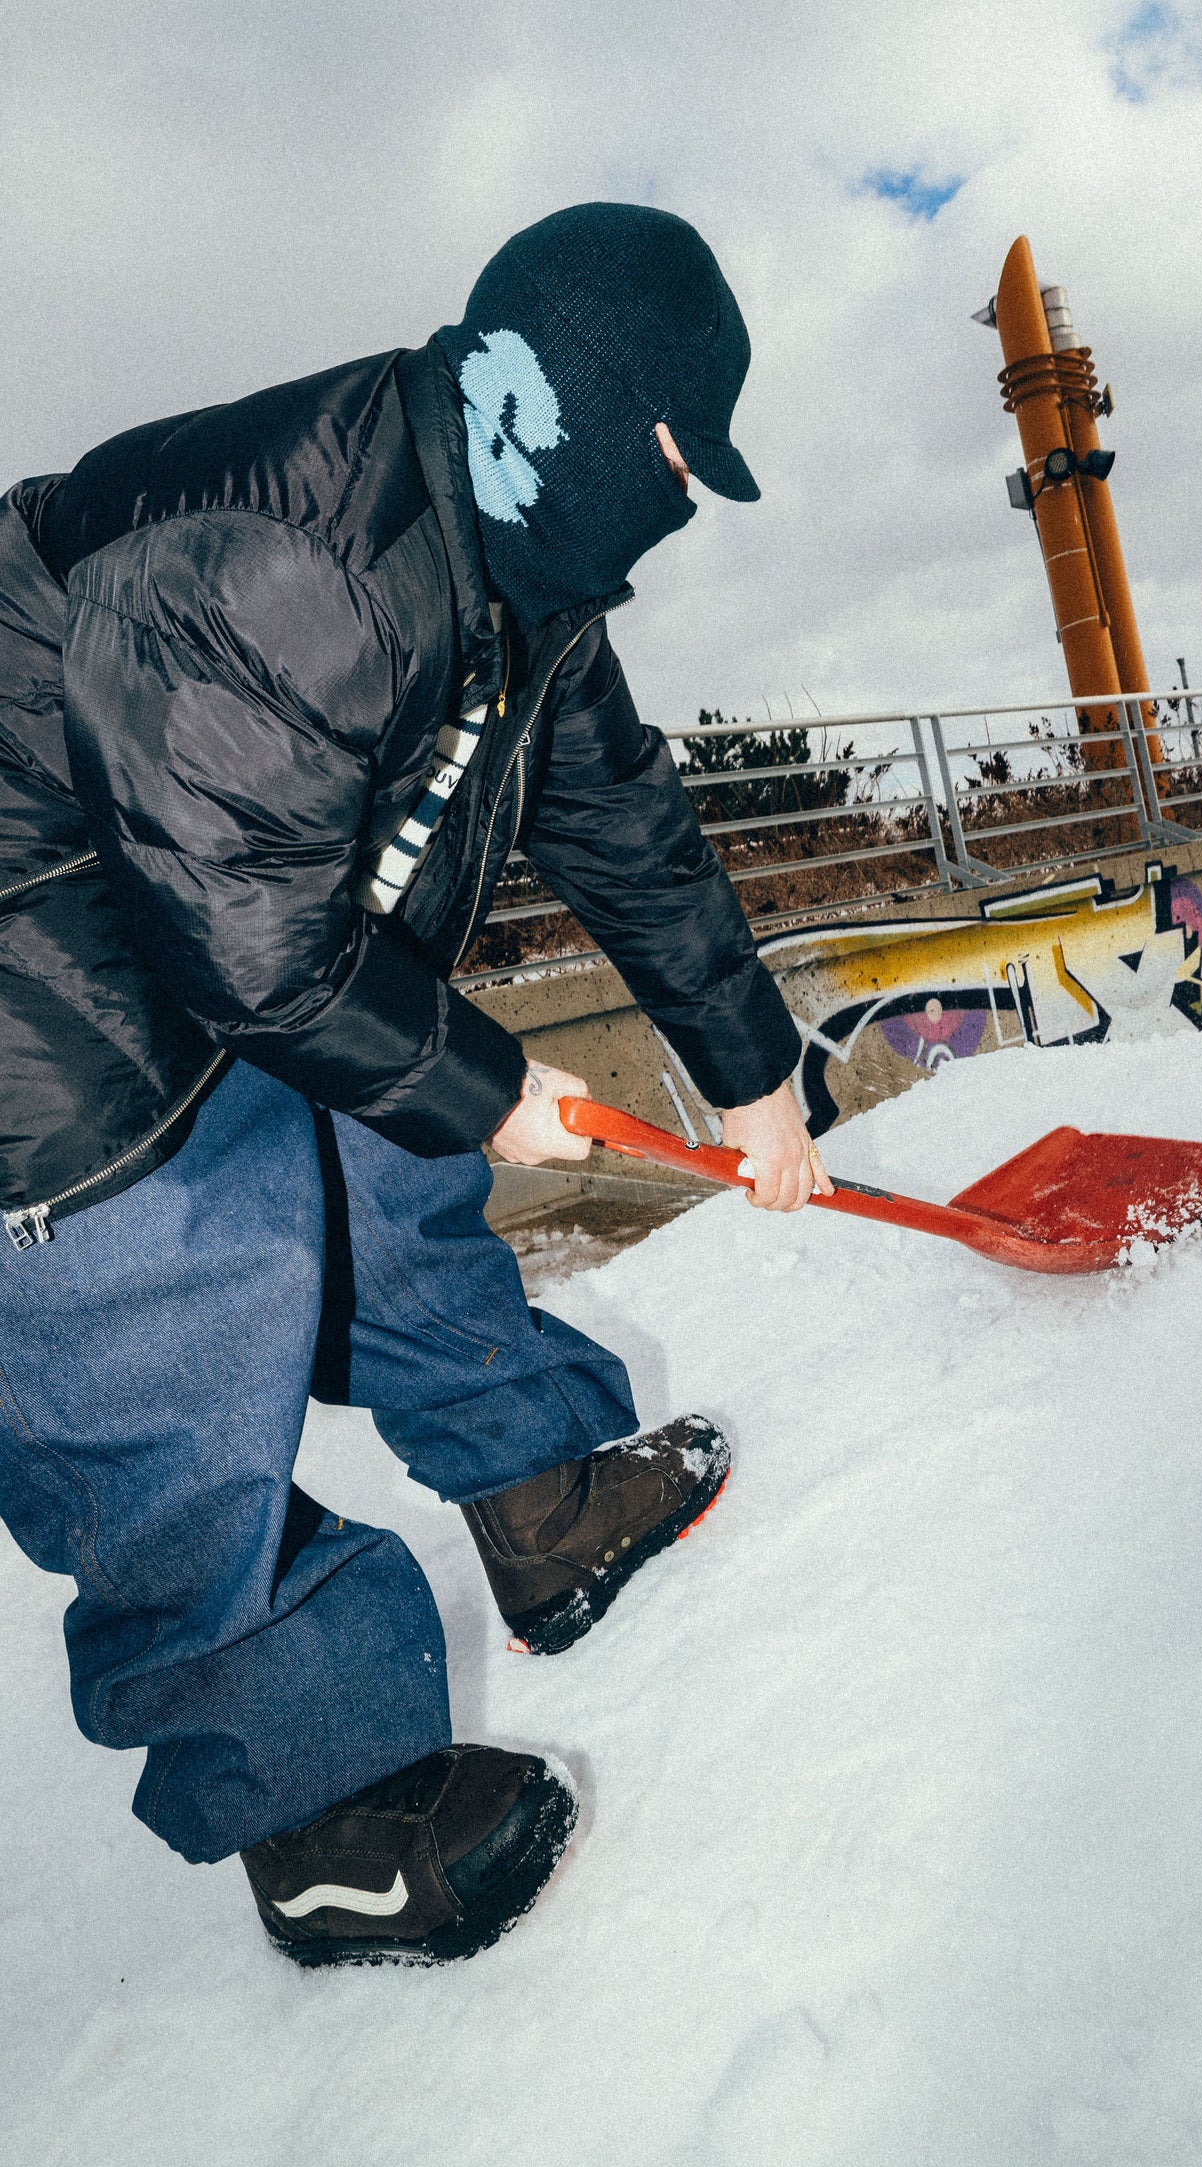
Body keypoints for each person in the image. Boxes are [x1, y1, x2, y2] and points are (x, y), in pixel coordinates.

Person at [0, 202, 832, 1967]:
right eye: (673, 459)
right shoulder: (283, 562)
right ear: (565, 405)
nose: (678, 507)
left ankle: (539, 1502)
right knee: (153, 1280)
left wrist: (749, 1073)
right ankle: (325, 1817)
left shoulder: (517, 568)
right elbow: (244, 944)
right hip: (27, 914)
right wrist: (487, 1076)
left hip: (173, 870)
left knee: (390, 1158)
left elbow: (621, 814)